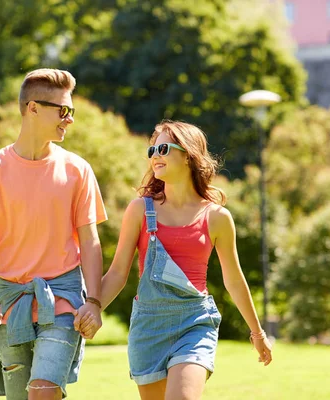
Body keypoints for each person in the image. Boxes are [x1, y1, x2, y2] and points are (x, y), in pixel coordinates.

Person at [78, 120, 272, 400]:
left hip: (195, 322)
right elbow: (119, 273)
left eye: (164, 148)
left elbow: (233, 278)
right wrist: (93, 306)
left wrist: (257, 333)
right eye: (152, 150)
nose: (155, 155)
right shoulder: (139, 211)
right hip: (148, 326)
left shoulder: (217, 217)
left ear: (188, 155)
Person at [0, 68, 107, 400]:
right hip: (9, 301)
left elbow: (91, 241)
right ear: (33, 108)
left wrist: (94, 302)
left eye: (71, 112)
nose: (69, 120)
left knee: (42, 390)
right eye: (63, 111)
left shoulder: (77, 170)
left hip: (64, 300)